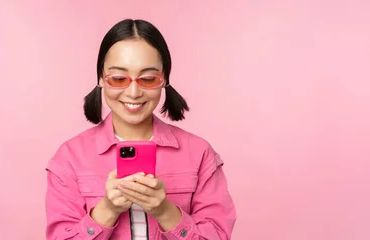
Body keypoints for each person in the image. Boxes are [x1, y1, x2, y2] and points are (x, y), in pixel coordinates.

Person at [45, 19, 236, 240]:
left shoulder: (199, 153)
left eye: (148, 79)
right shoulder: (69, 158)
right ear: (100, 78)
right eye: (118, 79)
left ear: (164, 79)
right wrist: (107, 210)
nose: (134, 92)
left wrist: (165, 211)